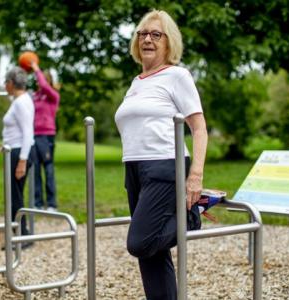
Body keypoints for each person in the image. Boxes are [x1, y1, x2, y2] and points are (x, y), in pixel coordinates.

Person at [114, 10, 208, 299]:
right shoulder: (137, 83)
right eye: (143, 34)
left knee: (140, 242)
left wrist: (195, 176)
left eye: (156, 34)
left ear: (169, 43)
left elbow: (199, 128)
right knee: (152, 255)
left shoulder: (177, 76)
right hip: (133, 169)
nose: (147, 39)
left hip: (165, 166)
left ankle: (192, 217)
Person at [0, 66, 35, 249]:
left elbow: (28, 132)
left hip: (19, 152)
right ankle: (20, 234)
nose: (5, 86)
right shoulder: (19, 100)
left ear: (11, 83)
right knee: (13, 195)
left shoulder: (21, 102)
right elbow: (15, 130)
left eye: (6, 82)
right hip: (14, 149)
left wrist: (22, 161)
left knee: (15, 196)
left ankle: (23, 236)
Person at [29, 61, 60, 212]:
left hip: (46, 137)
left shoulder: (53, 95)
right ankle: (38, 202)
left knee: (48, 170)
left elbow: (44, 85)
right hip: (33, 136)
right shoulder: (34, 96)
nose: (38, 82)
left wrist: (36, 69)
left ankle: (52, 204)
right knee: (35, 169)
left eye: (41, 79)